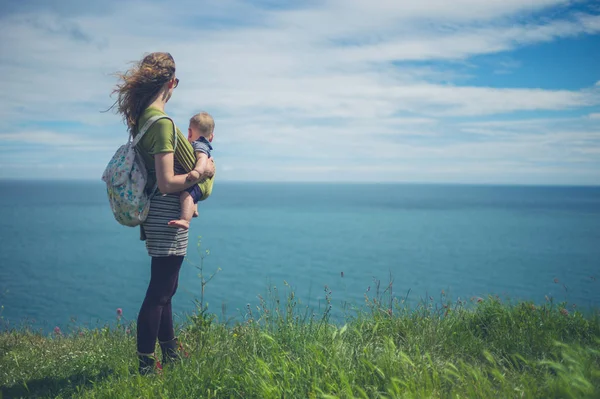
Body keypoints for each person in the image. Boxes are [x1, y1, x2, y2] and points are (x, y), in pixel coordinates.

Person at [109, 52, 215, 374]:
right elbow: (169, 182)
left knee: (166, 288)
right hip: (168, 214)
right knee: (160, 291)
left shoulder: (143, 120)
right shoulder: (163, 124)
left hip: (159, 213)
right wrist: (202, 172)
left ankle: (170, 352)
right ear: (172, 84)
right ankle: (145, 364)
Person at [168, 112, 215, 230]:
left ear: (189, 132)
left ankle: (185, 220)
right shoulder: (204, 144)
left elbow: (202, 159)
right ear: (211, 137)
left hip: (200, 180)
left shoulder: (199, 144)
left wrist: (197, 171)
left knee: (187, 195)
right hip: (203, 185)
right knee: (192, 193)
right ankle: (193, 210)